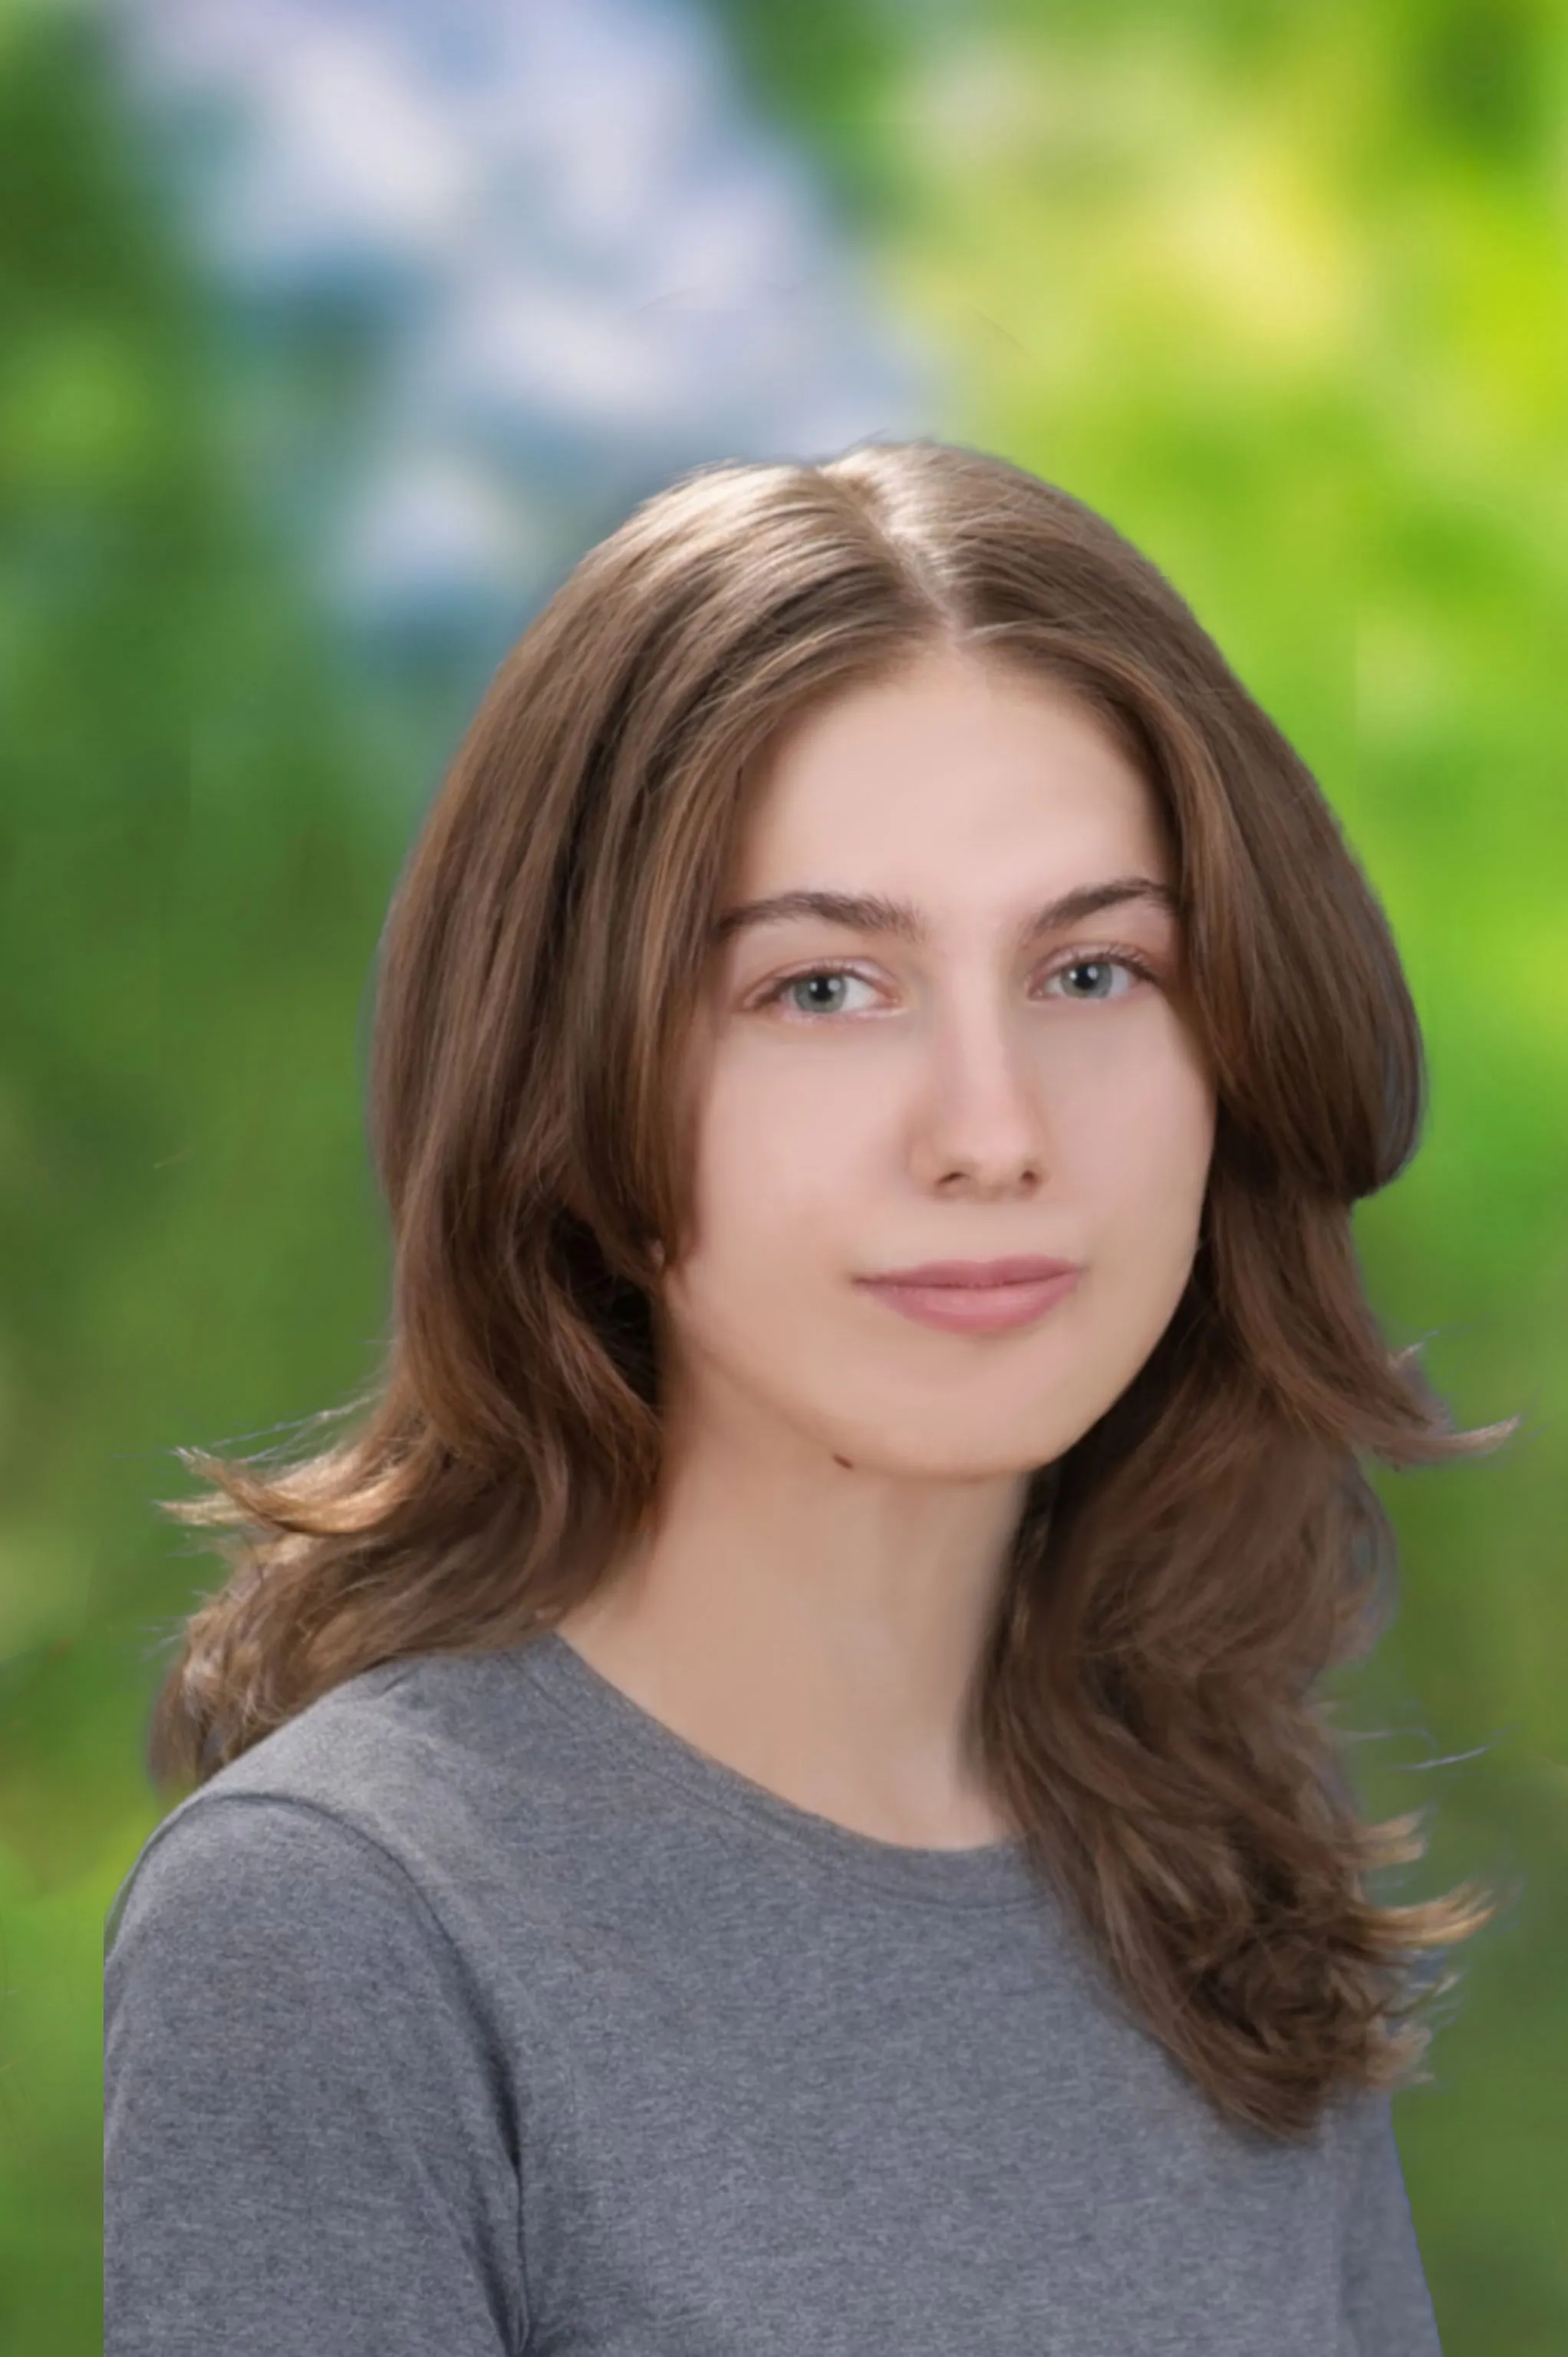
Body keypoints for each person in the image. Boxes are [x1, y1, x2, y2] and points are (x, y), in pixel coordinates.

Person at [104, 440, 1512, 2355]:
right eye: (824, 991)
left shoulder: (1213, 1870)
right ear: (564, 1074)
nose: (994, 1132)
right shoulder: (341, 1928)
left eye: (1092, 970)